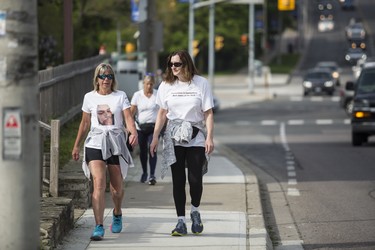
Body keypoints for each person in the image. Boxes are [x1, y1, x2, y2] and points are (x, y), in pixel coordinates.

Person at [150, 50, 214, 236]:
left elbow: (208, 112)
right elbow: (162, 113)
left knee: (195, 179)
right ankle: (180, 222)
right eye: (171, 64)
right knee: (178, 181)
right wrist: (155, 137)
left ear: (186, 64)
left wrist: (209, 137)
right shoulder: (166, 85)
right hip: (173, 137)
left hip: (196, 136)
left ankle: (195, 211)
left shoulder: (201, 83)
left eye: (177, 64)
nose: (173, 68)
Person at [71, 63, 138, 241]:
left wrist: (133, 132)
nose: (106, 79)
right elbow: (84, 123)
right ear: (97, 79)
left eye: (109, 76)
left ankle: (117, 212)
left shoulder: (120, 96)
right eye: (103, 76)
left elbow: (128, 118)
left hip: (115, 143)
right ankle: (99, 226)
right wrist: (77, 145)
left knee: (117, 189)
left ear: (113, 79)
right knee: (98, 183)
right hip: (95, 142)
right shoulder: (89, 97)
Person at [130, 74, 159, 185]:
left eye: (151, 84)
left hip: (153, 128)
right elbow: (131, 113)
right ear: (143, 84)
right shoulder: (137, 95)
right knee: (143, 151)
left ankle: (152, 175)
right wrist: (130, 128)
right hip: (140, 128)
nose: (149, 86)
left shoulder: (157, 94)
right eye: (147, 84)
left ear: (154, 84)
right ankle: (144, 172)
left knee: (152, 150)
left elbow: (162, 112)